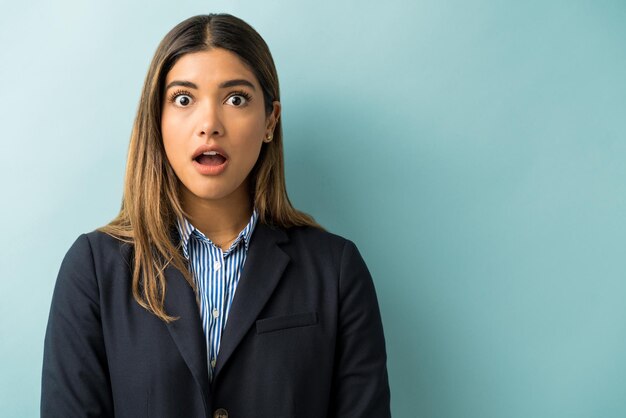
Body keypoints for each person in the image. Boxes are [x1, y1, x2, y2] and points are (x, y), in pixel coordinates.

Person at [41, 13, 390, 418]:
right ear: (158, 118)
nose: (209, 124)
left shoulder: (336, 271)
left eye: (236, 98)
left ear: (270, 121)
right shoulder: (92, 270)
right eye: (184, 99)